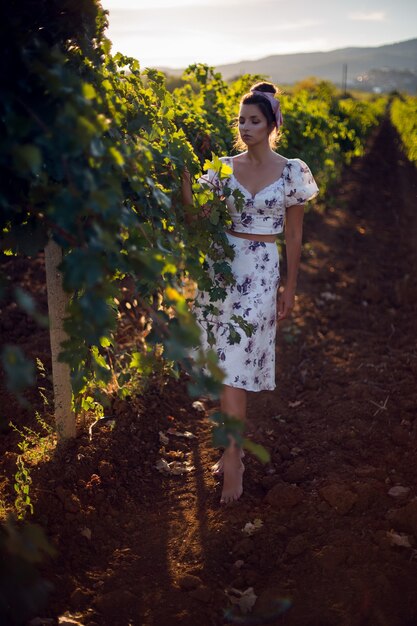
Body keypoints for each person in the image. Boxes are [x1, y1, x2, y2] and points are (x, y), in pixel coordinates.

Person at [182, 81, 318, 503]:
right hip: (221, 271)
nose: (245, 127)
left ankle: (235, 458)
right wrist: (184, 182)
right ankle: (232, 451)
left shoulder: (292, 170)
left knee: (236, 364)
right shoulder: (223, 168)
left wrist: (289, 286)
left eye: (254, 121)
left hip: (260, 272)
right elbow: (197, 216)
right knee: (224, 368)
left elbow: (293, 234)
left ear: (272, 123)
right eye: (241, 120)